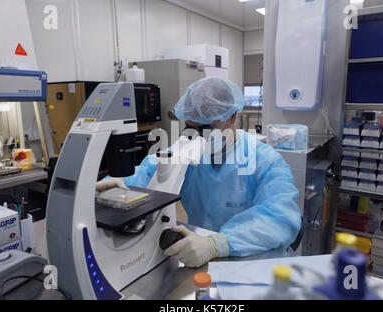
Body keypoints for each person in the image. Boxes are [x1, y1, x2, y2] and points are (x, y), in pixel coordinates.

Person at [97, 77, 301, 268]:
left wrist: (217, 244)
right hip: (195, 258)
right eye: (189, 128)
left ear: (232, 117)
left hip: (247, 259)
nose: (196, 137)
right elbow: (149, 171)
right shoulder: (186, 150)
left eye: (206, 128)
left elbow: (281, 217)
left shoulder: (264, 160)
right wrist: (112, 186)